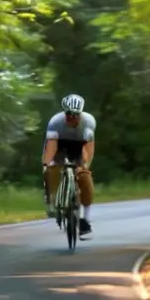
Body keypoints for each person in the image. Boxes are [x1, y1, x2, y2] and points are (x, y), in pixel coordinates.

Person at [42, 94, 96, 235]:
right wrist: (47, 164)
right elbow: (51, 147)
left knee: (85, 177)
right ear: (64, 113)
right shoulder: (56, 122)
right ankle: (53, 201)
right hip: (60, 145)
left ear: (81, 113)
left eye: (76, 115)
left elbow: (88, 149)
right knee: (52, 170)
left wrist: (83, 166)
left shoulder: (89, 122)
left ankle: (86, 219)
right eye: (69, 115)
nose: (72, 118)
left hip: (79, 147)